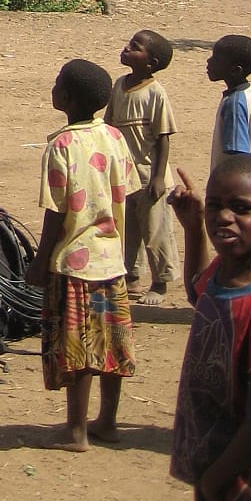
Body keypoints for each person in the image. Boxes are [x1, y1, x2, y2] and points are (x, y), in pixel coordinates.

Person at [25, 59, 139, 453]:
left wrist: (41, 261)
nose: (53, 87)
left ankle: (76, 430)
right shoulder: (114, 137)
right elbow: (125, 190)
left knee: (78, 347)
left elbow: (56, 211)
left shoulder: (61, 145)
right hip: (112, 258)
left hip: (75, 262)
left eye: (58, 83)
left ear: (68, 97)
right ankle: (107, 421)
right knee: (113, 342)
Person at [168, 155, 251, 501]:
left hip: (242, 478)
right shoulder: (225, 272)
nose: (224, 217)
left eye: (241, 207)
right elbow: (197, 290)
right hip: (217, 469)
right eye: (216, 205)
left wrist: (218, 482)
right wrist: (191, 230)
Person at [103, 30, 179, 305]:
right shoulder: (119, 85)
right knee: (128, 228)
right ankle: (132, 277)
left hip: (149, 175)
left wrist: (159, 177)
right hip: (124, 173)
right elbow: (109, 126)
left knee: (155, 230)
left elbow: (163, 137)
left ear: (151, 63)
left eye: (134, 47)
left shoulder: (156, 93)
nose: (126, 49)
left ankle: (161, 281)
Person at [208, 34, 251, 172]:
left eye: (216, 58)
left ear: (235, 70)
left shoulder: (234, 104)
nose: (208, 61)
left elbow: (237, 158)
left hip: (235, 185)